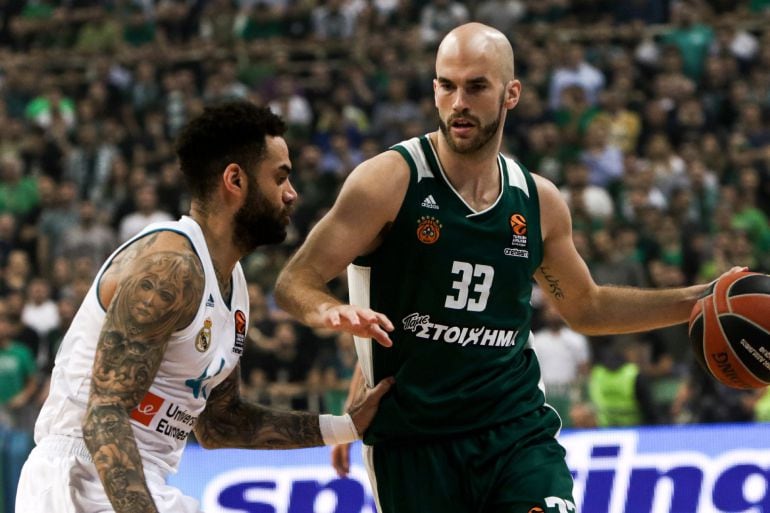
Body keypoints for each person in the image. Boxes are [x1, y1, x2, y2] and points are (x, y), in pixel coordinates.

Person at [274, 23, 744, 513]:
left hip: (515, 431)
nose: (458, 101)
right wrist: (331, 313)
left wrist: (701, 298)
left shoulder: (537, 200)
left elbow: (587, 307)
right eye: (446, 85)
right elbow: (296, 282)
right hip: (415, 442)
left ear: (511, 93)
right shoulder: (388, 182)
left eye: (476, 86)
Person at [15, 101, 394, 513]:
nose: (291, 193)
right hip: (82, 477)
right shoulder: (170, 268)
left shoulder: (233, 285)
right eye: (280, 177)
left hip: (137, 480)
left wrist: (346, 426)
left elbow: (220, 423)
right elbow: (104, 414)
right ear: (235, 179)